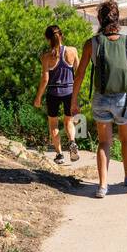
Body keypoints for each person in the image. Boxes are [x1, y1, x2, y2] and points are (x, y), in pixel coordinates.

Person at [70, 0, 127, 198]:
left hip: (101, 99)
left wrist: (74, 101)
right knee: (126, 139)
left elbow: (79, 75)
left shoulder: (92, 43)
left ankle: (103, 186)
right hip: (124, 100)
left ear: (99, 19)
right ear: (117, 19)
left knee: (104, 143)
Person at [32, 24, 80, 164]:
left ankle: (59, 155)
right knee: (69, 121)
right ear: (61, 35)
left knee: (53, 124)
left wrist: (38, 97)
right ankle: (72, 142)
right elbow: (78, 74)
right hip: (70, 91)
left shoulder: (46, 57)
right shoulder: (73, 51)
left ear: (48, 39)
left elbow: (45, 79)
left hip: (53, 93)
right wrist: (77, 95)